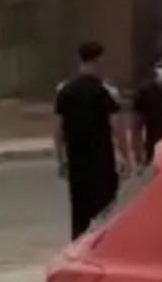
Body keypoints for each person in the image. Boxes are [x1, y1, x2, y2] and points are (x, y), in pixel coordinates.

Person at [54, 41, 131, 239]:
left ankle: (80, 250)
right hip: (101, 162)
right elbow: (117, 126)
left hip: (76, 162)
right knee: (106, 213)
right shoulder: (104, 91)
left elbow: (57, 127)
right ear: (99, 60)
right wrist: (124, 156)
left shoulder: (65, 90)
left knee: (79, 214)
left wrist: (60, 159)